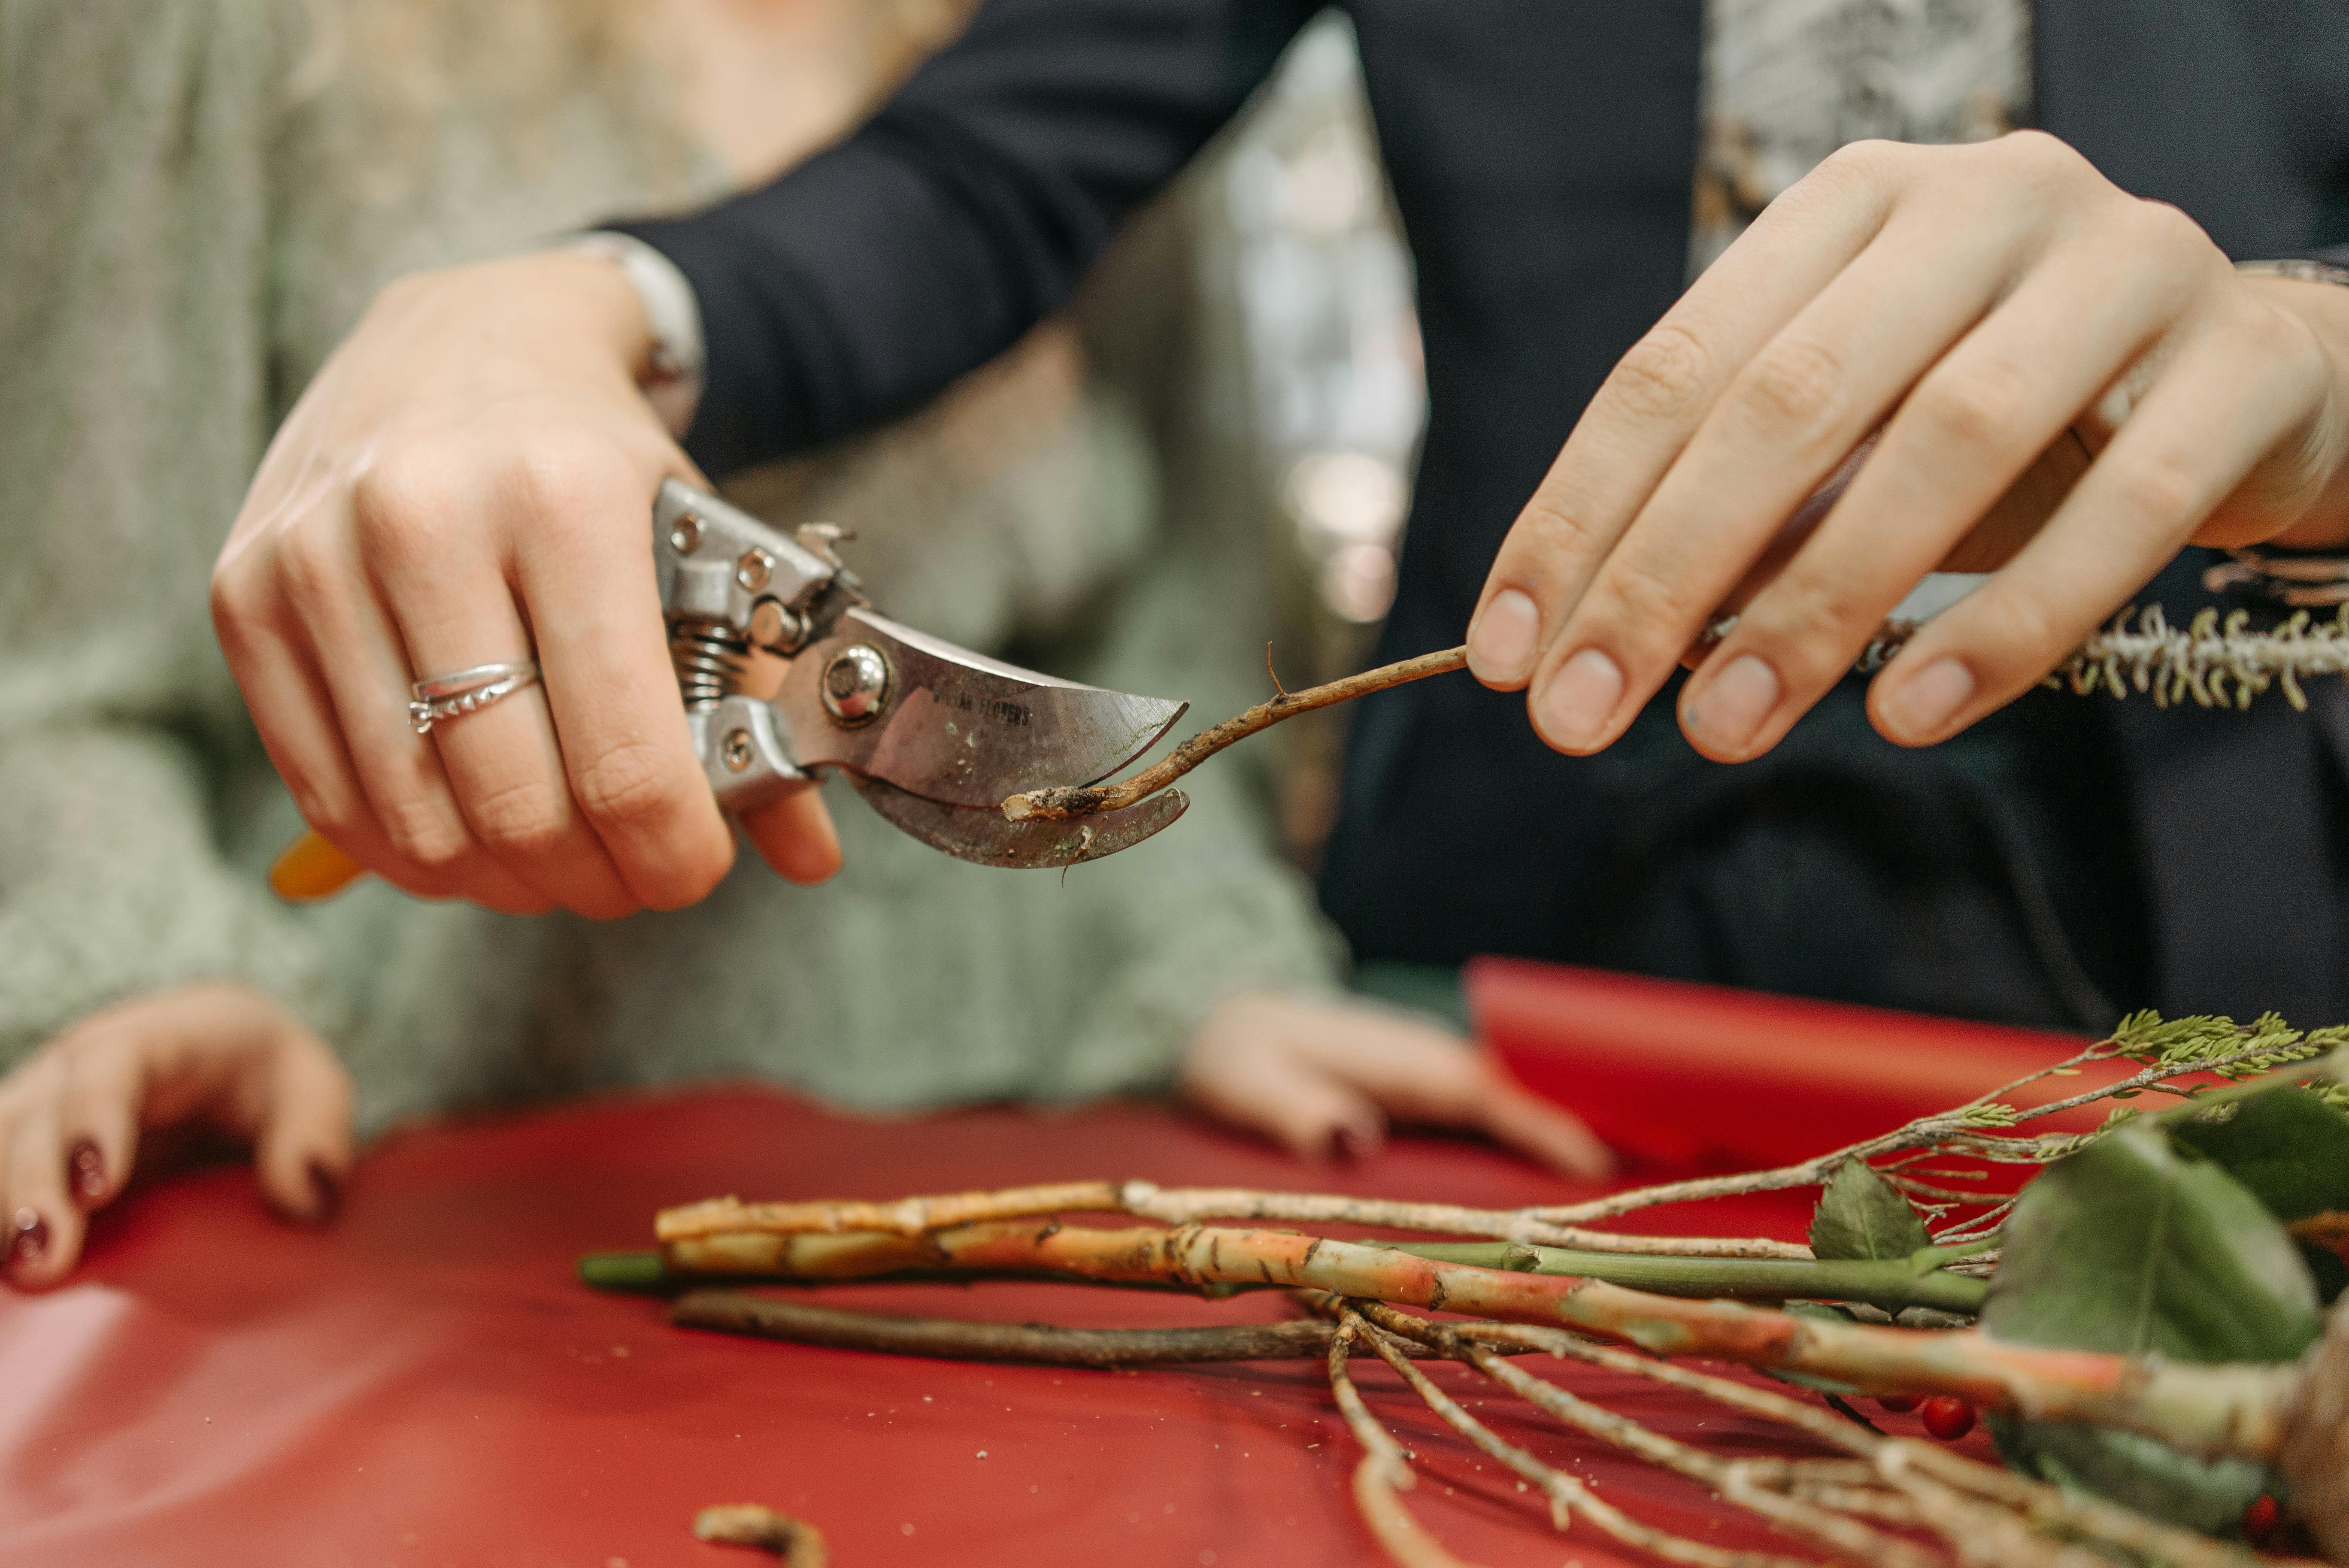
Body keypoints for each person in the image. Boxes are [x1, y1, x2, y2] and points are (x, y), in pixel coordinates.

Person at [194, 0, 2349, 1037]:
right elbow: (982, 172)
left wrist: (2319, 390)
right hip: (1505, 955)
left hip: (2220, 959)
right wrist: (579, 307)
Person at [0, 0, 1606, 1290]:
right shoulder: (201, 31)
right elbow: (57, 675)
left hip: (998, 1176)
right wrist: (156, 973)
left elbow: (1150, 679)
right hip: (385, 1182)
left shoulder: (1094, 68)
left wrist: (1208, 976)